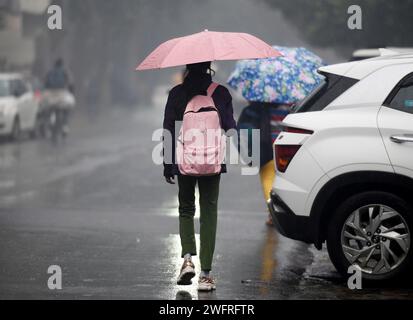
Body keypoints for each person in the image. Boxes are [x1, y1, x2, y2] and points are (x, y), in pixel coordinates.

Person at [163, 61, 236, 292]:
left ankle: (186, 260)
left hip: (185, 161)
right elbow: (230, 126)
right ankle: (206, 275)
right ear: (208, 67)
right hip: (213, 161)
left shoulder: (177, 93)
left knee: (186, 208)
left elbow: (168, 130)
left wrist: (168, 164)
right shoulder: (220, 93)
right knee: (209, 211)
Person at [237, 102, 290, 226]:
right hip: (287, 148)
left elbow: (245, 130)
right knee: (285, 183)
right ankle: (280, 211)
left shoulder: (259, 108)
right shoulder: (291, 108)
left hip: (267, 150)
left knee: (268, 181)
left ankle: (273, 212)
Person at [44, 58, 75, 135]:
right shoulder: (64, 71)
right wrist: (71, 91)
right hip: (61, 92)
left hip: (50, 93)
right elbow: (70, 82)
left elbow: (45, 82)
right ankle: (65, 127)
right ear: (61, 64)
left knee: (49, 109)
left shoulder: (49, 71)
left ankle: (50, 124)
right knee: (66, 109)